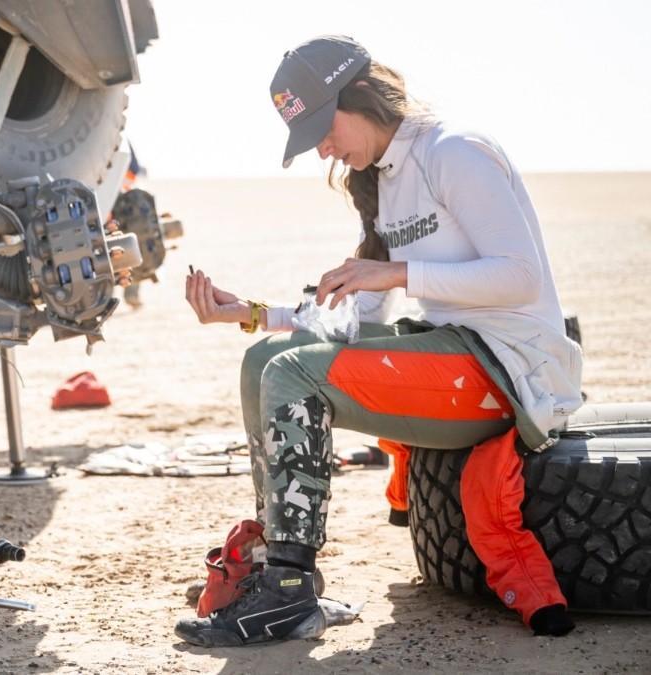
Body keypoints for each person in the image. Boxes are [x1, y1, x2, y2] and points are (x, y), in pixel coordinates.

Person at [176, 36, 582, 646]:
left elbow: (521, 276)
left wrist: (396, 272)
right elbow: (355, 320)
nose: (323, 150)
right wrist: (255, 313)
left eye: (322, 127)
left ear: (358, 96)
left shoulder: (456, 151)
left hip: (513, 371)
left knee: (292, 375)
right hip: (450, 351)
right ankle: (274, 571)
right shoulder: (383, 177)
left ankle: (289, 589)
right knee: (264, 359)